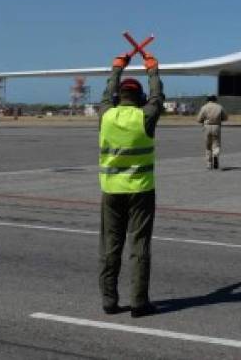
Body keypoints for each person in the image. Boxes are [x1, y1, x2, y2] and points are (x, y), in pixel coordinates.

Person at [98, 47, 163, 318]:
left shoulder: (106, 115)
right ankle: (139, 302)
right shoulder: (145, 117)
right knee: (139, 246)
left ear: (118, 97)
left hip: (111, 192)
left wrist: (117, 67)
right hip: (141, 191)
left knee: (110, 246)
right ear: (141, 98)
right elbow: (158, 97)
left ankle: (109, 301)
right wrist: (152, 68)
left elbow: (106, 95)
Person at [196, 95, 228, 170]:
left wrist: (203, 121)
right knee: (216, 144)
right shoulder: (219, 107)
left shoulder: (204, 107)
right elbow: (225, 118)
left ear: (207, 100)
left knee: (208, 146)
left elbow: (198, 119)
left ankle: (209, 164)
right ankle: (215, 154)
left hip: (207, 127)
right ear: (215, 99)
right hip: (216, 127)